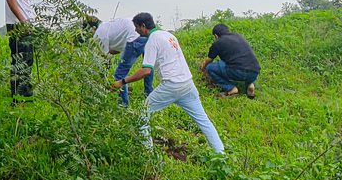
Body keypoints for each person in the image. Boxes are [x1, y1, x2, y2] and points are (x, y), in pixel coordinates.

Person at [113, 13, 225, 154]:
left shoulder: (152, 41)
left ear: (143, 26)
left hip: (171, 85)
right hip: (188, 84)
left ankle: (148, 156)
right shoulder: (168, 35)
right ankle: (221, 155)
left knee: (141, 116)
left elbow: (146, 71)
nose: (135, 31)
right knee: (203, 121)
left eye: (136, 27)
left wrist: (122, 81)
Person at [86, 17, 154, 105]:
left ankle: (123, 105)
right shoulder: (108, 26)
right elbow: (116, 50)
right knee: (147, 67)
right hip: (145, 36)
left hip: (134, 39)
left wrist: (102, 77)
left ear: (92, 29)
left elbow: (105, 59)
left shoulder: (99, 34)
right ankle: (149, 97)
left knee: (120, 74)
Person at [5, 0, 36, 101]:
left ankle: (24, 91)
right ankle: (16, 96)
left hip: (25, 23)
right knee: (19, 58)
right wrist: (23, 20)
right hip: (17, 24)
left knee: (28, 58)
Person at [200, 23, 260, 98]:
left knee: (210, 68)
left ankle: (231, 89)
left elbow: (209, 60)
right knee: (245, 64)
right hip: (255, 71)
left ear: (216, 36)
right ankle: (250, 84)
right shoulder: (239, 36)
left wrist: (203, 68)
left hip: (238, 72)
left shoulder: (218, 42)